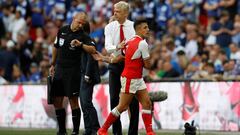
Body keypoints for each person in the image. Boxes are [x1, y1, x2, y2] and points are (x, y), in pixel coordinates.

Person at [96, 19, 155, 135]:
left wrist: (105, 58)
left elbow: (122, 57)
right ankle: (102, 130)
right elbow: (148, 66)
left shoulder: (129, 41)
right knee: (122, 106)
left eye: (148, 27)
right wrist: (144, 59)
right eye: (145, 28)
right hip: (131, 79)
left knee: (147, 103)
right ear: (138, 29)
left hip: (137, 78)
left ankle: (150, 132)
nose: (148, 30)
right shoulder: (143, 44)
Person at [49, 12, 96, 135]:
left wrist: (81, 45)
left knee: (73, 100)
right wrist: (52, 64)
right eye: (79, 22)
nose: (80, 25)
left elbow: (93, 49)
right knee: (57, 101)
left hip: (73, 71)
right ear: (73, 19)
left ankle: (75, 131)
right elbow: (55, 46)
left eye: (83, 23)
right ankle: (62, 131)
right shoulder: (62, 30)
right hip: (59, 69)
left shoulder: (83, 35)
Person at [104, 1, 139, 134]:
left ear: (125, 13)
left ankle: (133, 132)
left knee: (133, 100)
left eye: (118, 11)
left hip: (130, 65)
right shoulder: (109, 27)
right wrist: (117, 47)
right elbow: (108, 47)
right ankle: (116, 132)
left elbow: (140, 45)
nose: (114, 13)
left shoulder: (134, 27)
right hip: (115, 64)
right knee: (113, 98)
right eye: (114, 10)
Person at [80, 22, 101, 135]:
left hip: (87, 76)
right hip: (82, 74)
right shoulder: (84, 41)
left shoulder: (89, 40)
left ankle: (95, 128)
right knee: (83, 103)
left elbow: (91, 58)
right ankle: (88, 128)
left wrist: (87, 74)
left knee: (87, 103)